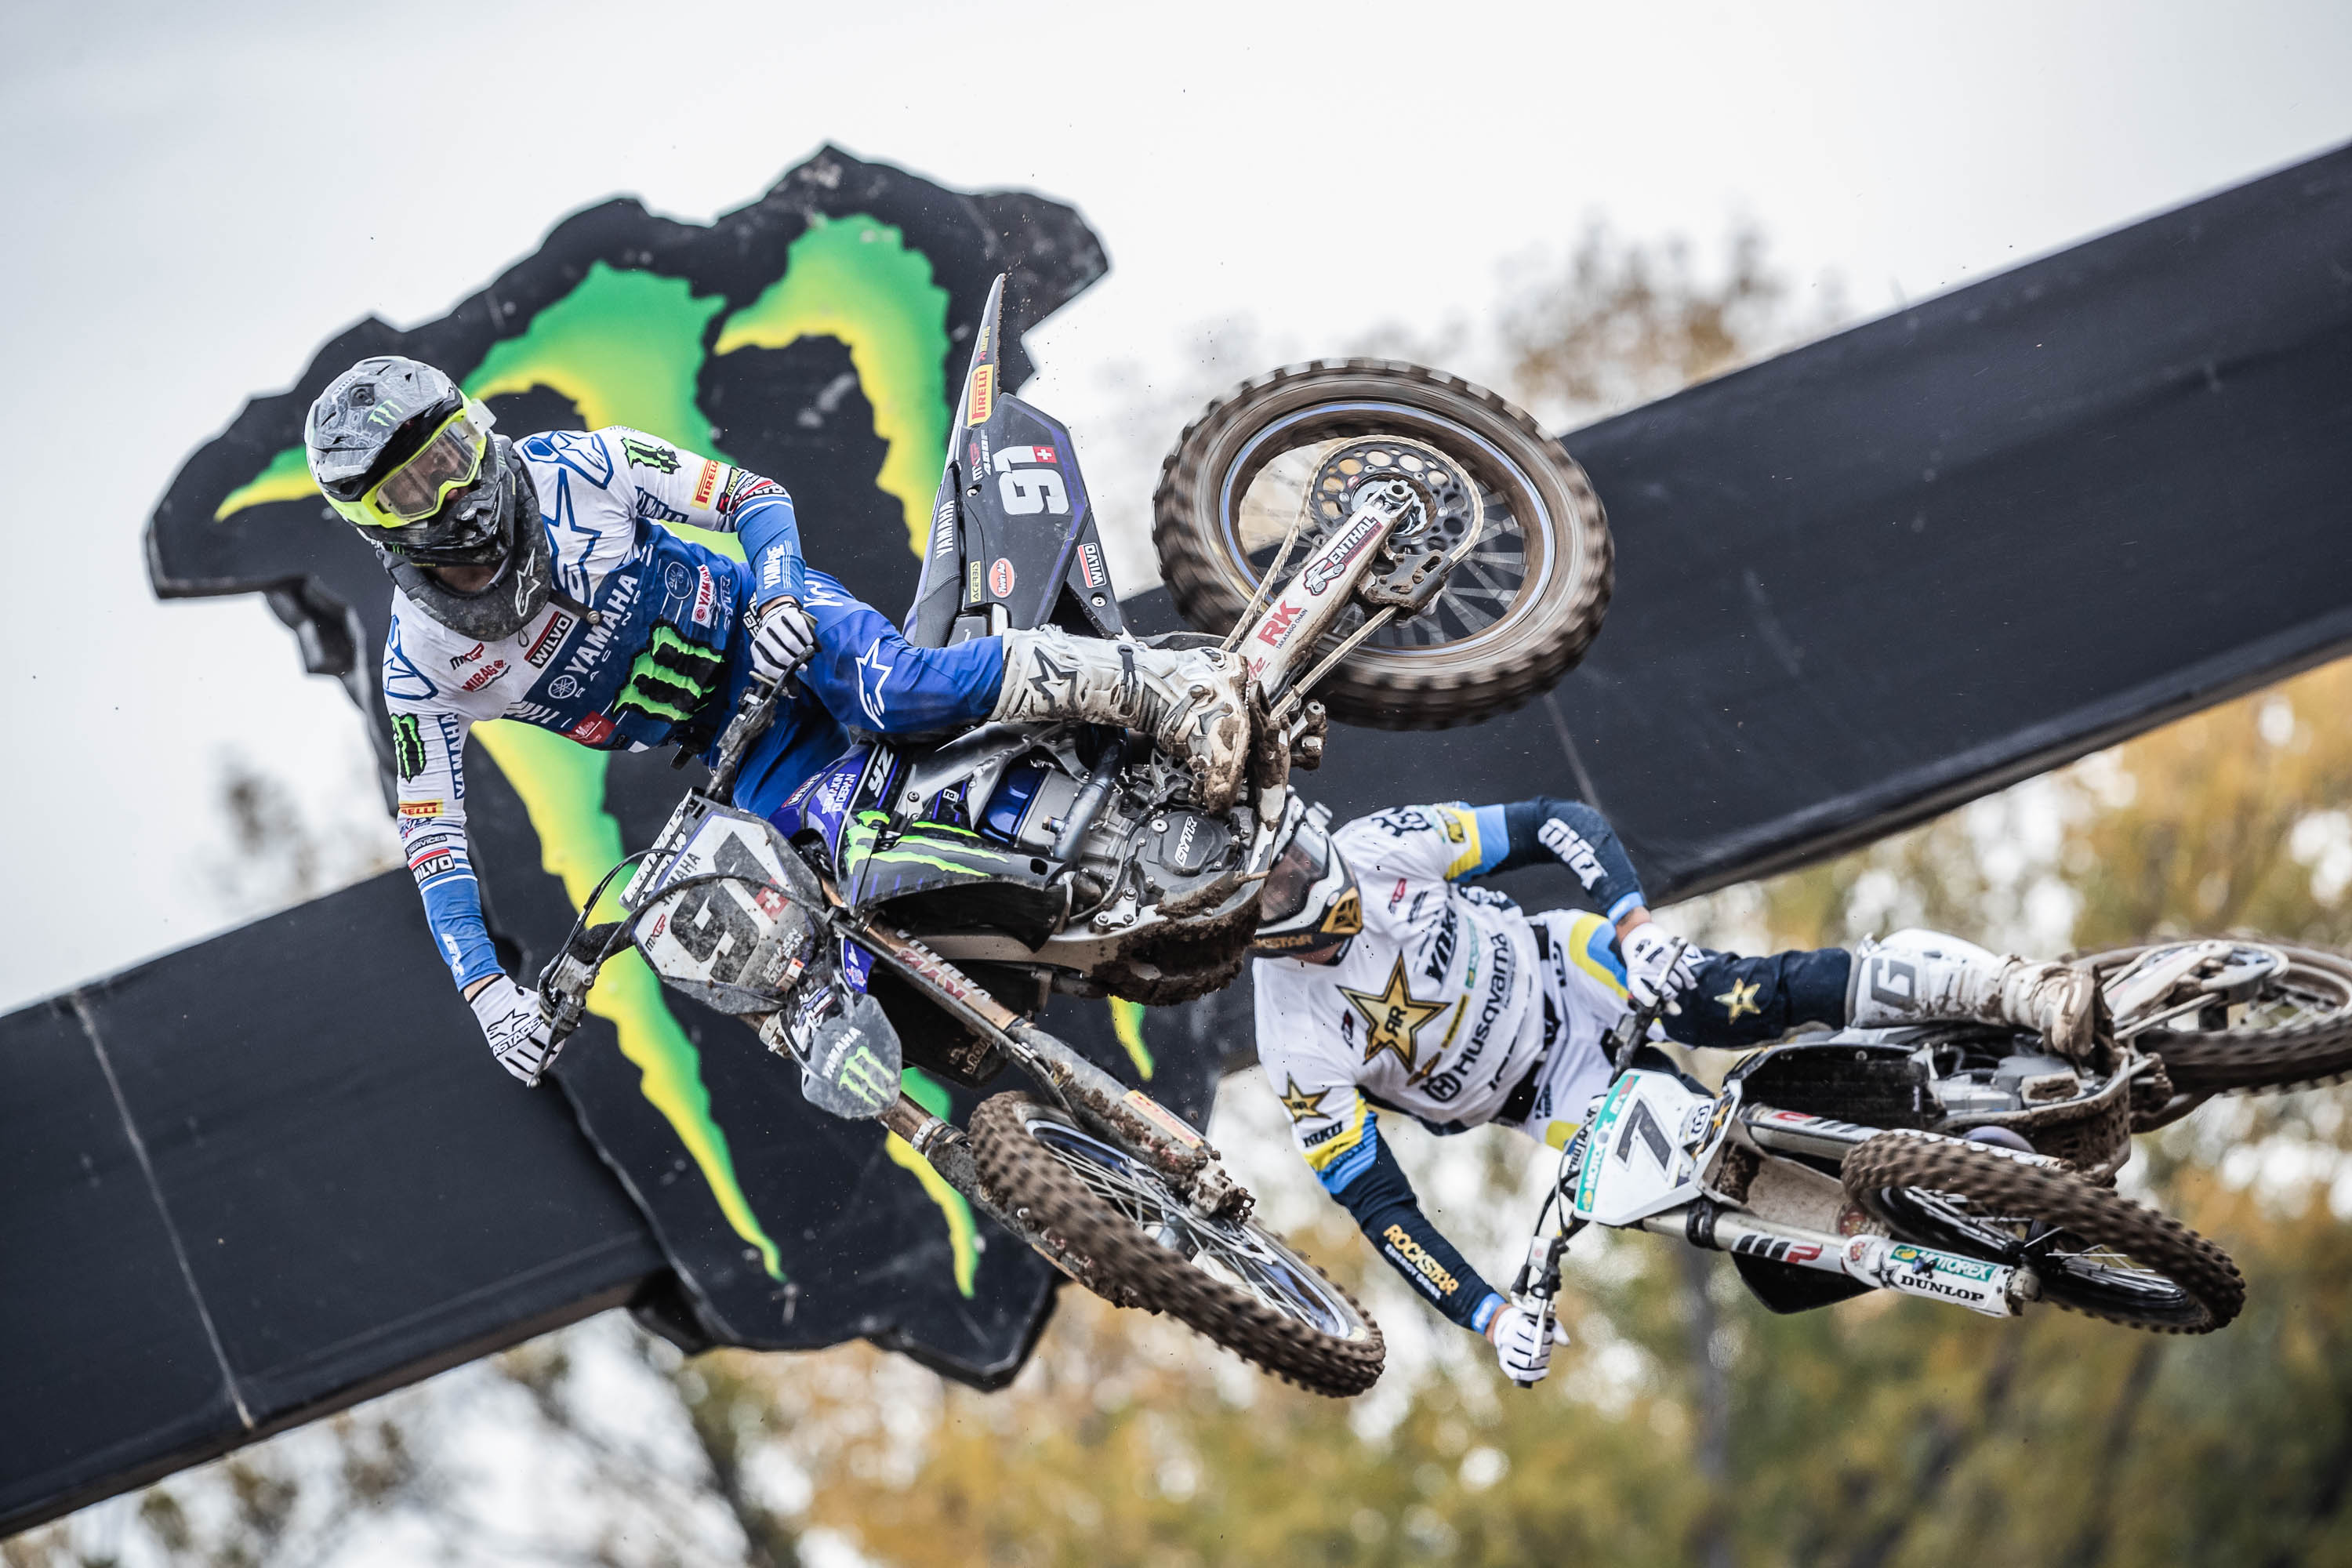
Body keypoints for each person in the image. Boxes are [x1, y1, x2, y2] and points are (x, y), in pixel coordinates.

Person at [305, 356, 1247, 1082]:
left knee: (896, 691)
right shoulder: (419, 664)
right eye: (410, 489)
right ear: (376, 522)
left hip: (777, 627)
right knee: (791, 928)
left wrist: (781, 593)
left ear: (477, 429)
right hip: (730, 746)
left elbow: (751, 497)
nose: (450, 493)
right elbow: (433, 838)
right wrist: (485, 992)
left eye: (448, 457)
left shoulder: (580, 466)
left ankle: (1152, 685)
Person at [1247, 794, 2104, 1387]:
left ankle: (2014, 990)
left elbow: (1553, 821)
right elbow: (1379, 1204)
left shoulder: (1380, 843)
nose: (1307, 872)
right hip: (1553, 1097)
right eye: (1280, 880)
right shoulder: (1292, 1040)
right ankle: (1965, 1209)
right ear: (1257, 927)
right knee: (1733, 1190)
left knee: (1726, 997)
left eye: (1297, 848)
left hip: (1573, 970)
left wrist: (1635, 926)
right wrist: (1490, 1315)